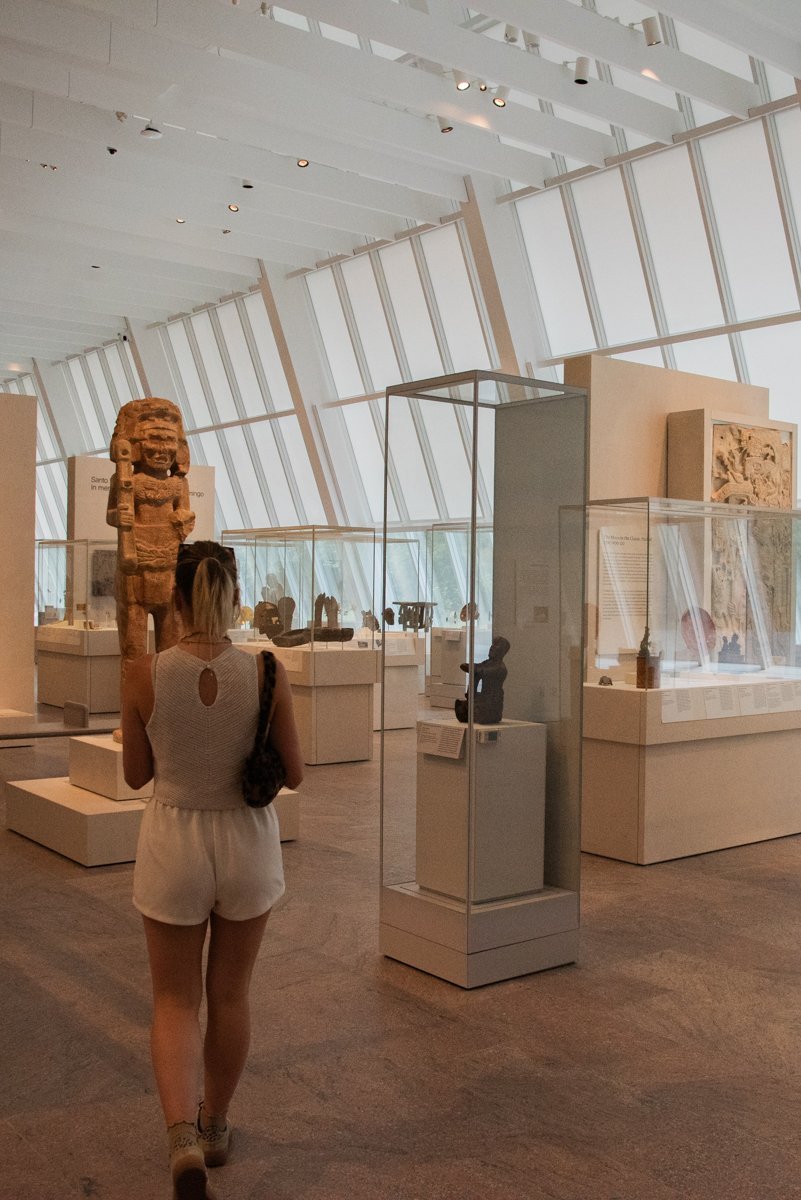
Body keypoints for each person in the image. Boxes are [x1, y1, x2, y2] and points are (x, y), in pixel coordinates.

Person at [122, 540, 303, 1199]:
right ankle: (217, 1125)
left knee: (174, 1000)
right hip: (246, 844)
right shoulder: (265, 670)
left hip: (174, 840)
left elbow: (136, 775)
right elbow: (295, 772)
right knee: (230, 995)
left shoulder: (143, 673)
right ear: (235, 596)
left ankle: (182, 1144)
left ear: (175, 597)